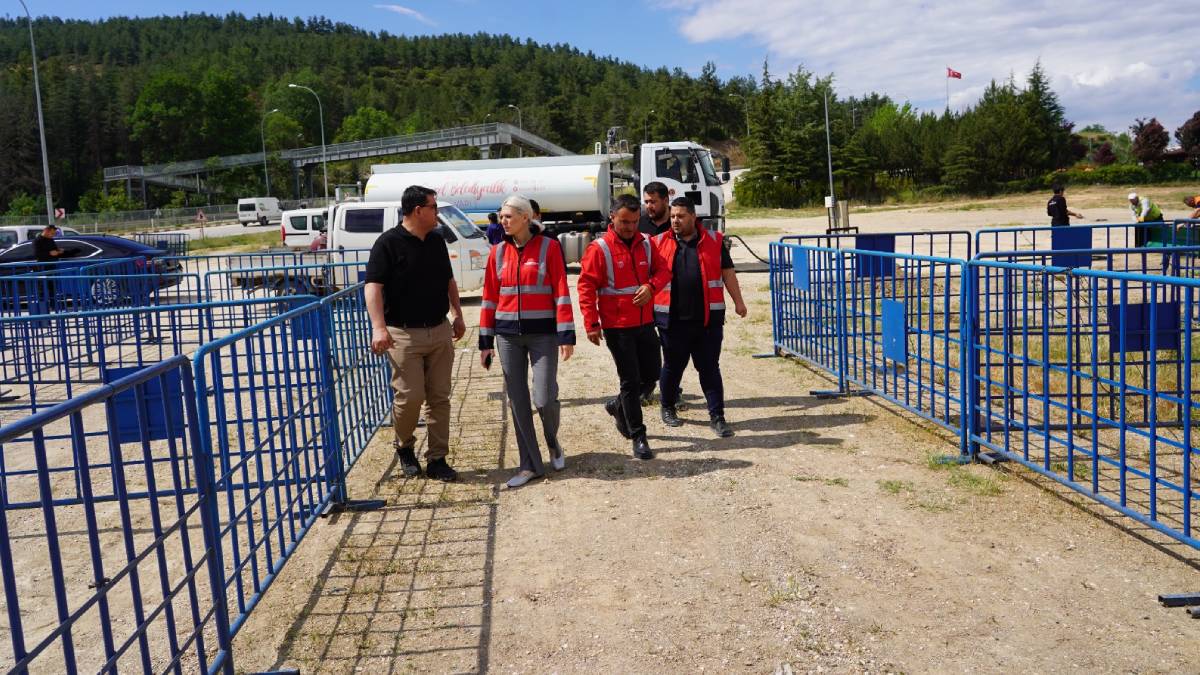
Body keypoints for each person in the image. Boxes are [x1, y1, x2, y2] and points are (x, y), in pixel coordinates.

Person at [365, 185, 466, 482]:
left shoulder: (436, 241)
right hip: (403, 334)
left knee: (439, 397)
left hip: (438, 329)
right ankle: (404, 445)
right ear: (418, 210)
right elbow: (373, 286)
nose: (437, 213)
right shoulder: (387, 243)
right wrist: (379, 327)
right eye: (434, 207)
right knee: (409, 397)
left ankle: (437, 458)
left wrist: (457, 314)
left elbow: (448, 280)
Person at [478, 195, 575, 488]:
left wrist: (566, 334)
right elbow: (489, 299)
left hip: (543, 335)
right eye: (502, 216)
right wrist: (485, 342)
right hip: (507, 337)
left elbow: (560, 289)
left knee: (544, 397)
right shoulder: (496, 253)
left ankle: (553, 443)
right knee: (518, 402)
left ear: (525, 217)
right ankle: (530, 465)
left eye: (508, 216)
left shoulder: (550, 247)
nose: (502, 221)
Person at [577, 193, 670, 460]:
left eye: (634, 221)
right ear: (612, 218)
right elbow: (586, 287)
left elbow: (664, 272)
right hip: (617, 327)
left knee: (651, 375)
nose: (630, 227)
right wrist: (591, 323)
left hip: (644, 323)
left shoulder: (648, 244)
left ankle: (618, 406)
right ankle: (638, 435)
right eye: (624, 222)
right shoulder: (600, 248)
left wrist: (651, 287)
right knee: (629, 380)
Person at [652, 198, 747, 437]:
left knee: (709, 369)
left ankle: (718, 417)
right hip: (672, 321)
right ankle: (667, 407)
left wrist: (739, 302)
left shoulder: (714, 241)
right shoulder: (657, 243)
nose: (675, 220)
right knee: (673, 367)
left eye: (681, 216)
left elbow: (728, 273)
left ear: (694, 217)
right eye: (673, 216)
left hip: (707, 321)